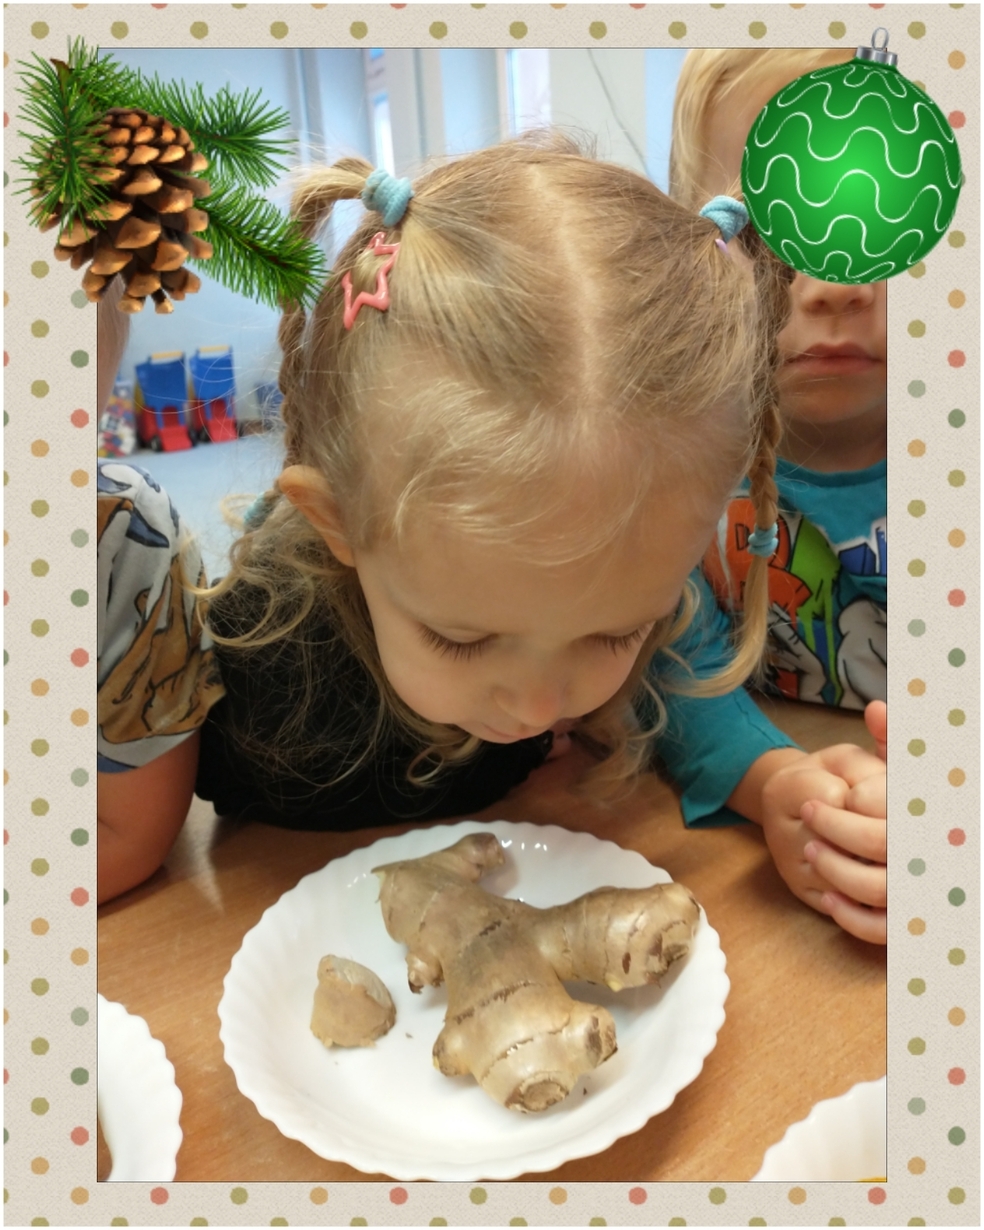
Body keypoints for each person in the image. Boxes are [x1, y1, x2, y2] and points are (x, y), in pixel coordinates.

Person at [96, 133, 885, 944]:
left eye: (614, 632)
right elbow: (230, 841)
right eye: (462, 639)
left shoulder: (626, 577)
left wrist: (777, 782)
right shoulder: (266, 667)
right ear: (336, 523)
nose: (540, 706)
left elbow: (687, 670)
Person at [658, 50, 887, 941]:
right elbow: (668, 666)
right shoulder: (677, 462)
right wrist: (775, 783)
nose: (834, 288)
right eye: (772, 227)